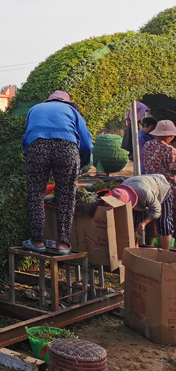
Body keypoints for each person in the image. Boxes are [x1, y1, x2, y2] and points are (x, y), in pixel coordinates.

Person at [21, 91, 94, 254]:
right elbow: (87, 143)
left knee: (36, 194)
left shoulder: (35, 109)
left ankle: (37, 241)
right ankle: (63, 243)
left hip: (37, 146)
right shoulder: (72, 112)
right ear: (67, 103)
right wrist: (81, 163)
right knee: (66, 195)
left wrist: (31, 155)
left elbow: (26, 138)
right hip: (67, 148)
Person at [108, 174, 173, 250]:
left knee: (163, 223)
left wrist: (145, 222)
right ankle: (136, 250)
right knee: (135, 224)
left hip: (161, 188)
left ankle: (165, 254)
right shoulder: (117, 193)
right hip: (141, 188)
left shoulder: (145, 194)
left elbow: (157, 210)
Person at [142, 120, 176, 194]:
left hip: (150, 185)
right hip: (167, 188)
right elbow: (174, 169)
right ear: (169, 136)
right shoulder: (169, 150)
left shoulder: (147, 145)